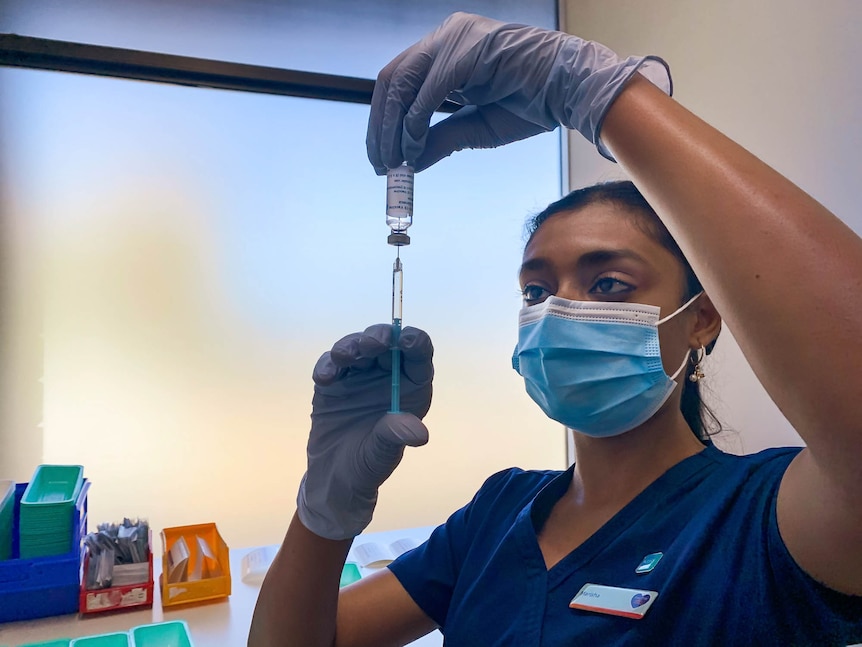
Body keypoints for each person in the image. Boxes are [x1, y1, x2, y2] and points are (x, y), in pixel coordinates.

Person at [248, 12, 862, 646]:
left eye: (608, 285)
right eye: (536, 291)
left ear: (702, 318)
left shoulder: (757, 519)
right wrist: (325, 510)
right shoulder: (498, 513)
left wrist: (600, 96)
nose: (558, 311)